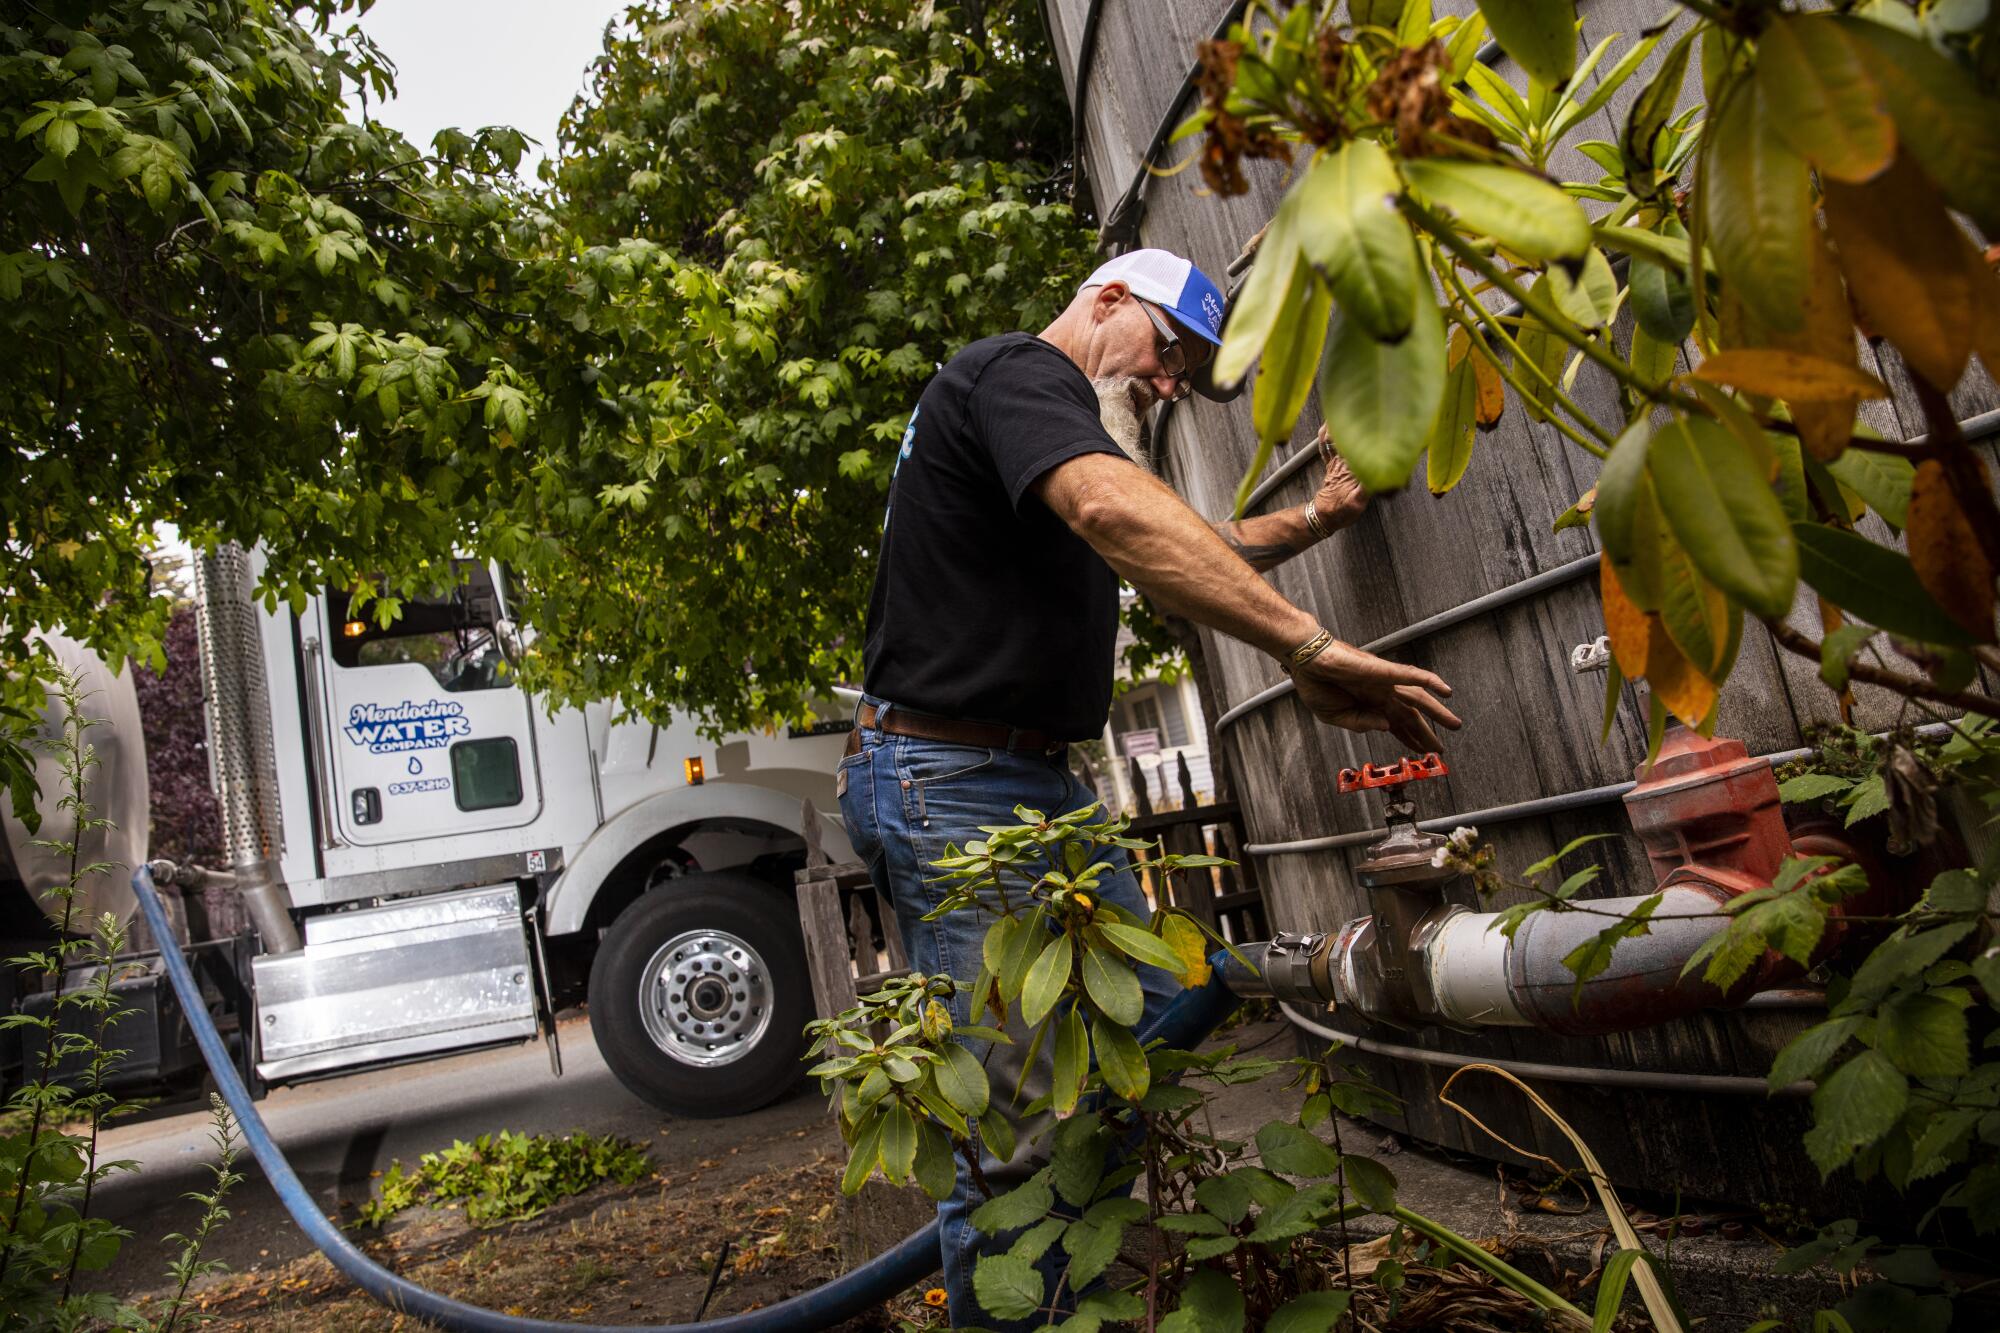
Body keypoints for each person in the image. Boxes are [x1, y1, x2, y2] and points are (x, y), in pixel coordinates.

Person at [837, 247, 1460, 1328]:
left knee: (1150, 1026)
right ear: (1108, 298)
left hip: (1021, 778)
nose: (1169, 384)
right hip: (950, 780)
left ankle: (1070, 1292)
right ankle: (1018, 1310)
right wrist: (1306, 647)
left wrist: (1316, 517)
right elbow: (1121, 514)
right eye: (1170, 353)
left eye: (1186, 373)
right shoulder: (1018, 373)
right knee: (1016, 1120)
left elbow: (1190, 544)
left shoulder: (1048, 452)